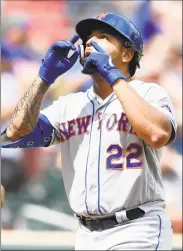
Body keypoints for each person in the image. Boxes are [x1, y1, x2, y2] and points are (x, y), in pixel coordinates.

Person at [1, 12, 177, 250]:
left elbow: (158, 135)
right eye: (88, 38)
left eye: (103, 37)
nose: (90, 43)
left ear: (127, 53)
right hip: (86, 235)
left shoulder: (149, 94)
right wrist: (44, 78)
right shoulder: (70, 105)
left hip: (137, 229)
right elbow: (16, 131)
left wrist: (112, 76)